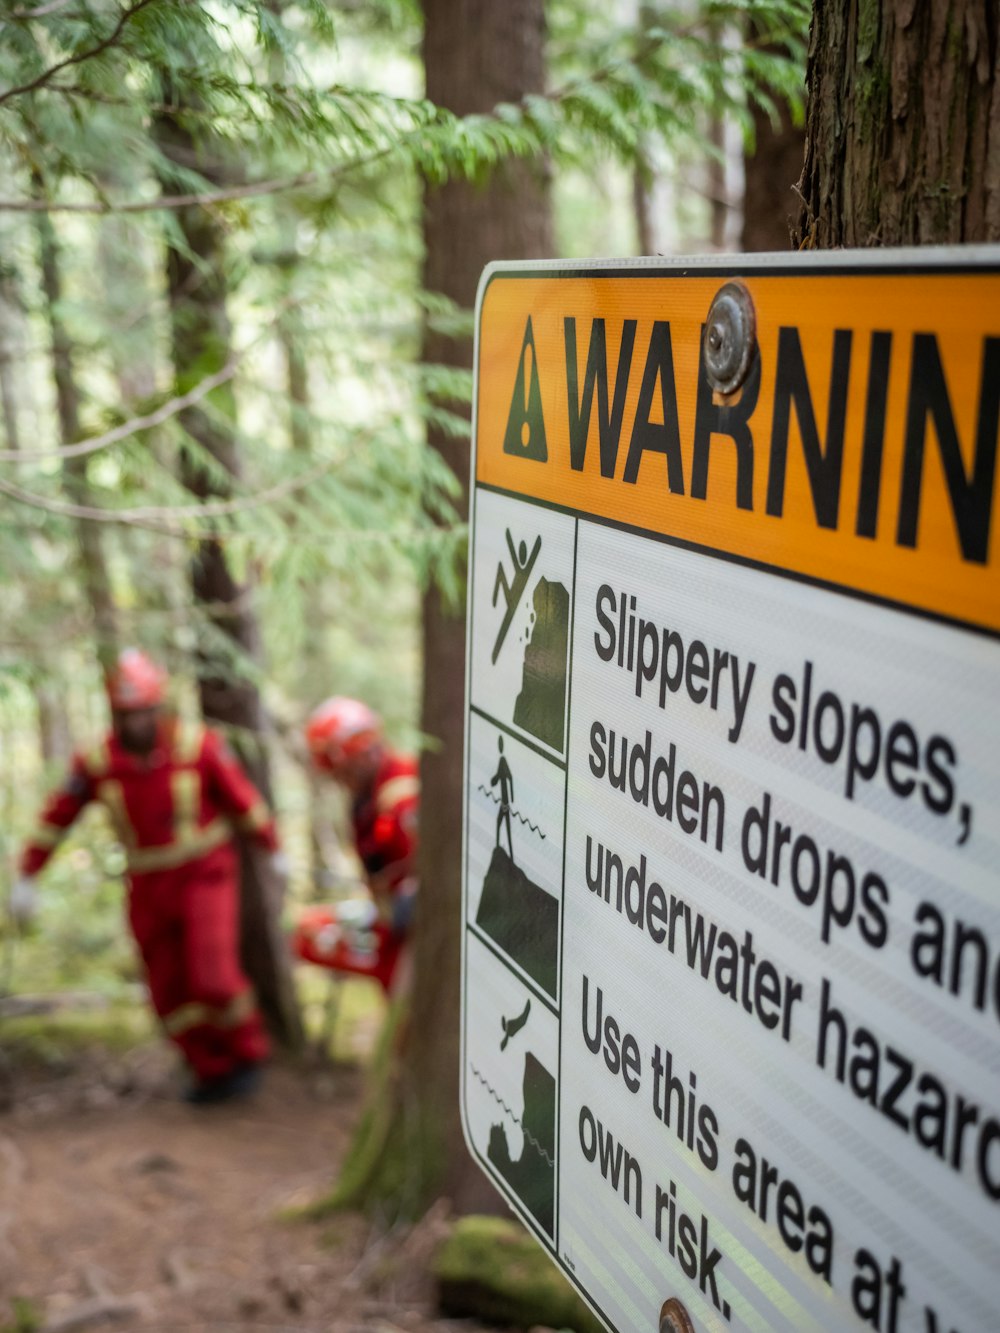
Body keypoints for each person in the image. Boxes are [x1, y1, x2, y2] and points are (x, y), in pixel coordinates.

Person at [10, 649, 279, 1104]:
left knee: (213, 976)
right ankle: (207, 1069)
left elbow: (242, 801)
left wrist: (271, 848)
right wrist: (28, 875)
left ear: (159, 708)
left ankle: (247, 1054)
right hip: (148, 885)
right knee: (168, 987)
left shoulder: (198, 747)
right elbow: (59, 816)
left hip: (204, 874)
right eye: (127, 714)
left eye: (143, 712)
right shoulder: (97, 762)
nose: (136, 722)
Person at [302, 697, 419, 995]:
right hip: (390, 928)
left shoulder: (401, 793)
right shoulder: (367, 798)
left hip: (414, 938)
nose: (340, 780)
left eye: (340, 770)